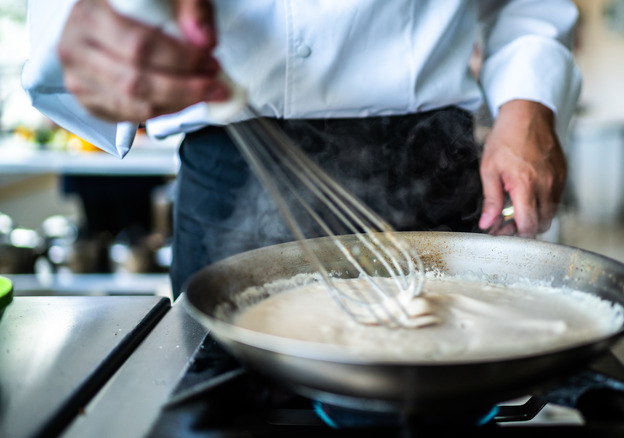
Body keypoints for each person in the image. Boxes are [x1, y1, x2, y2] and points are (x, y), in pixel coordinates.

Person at [23, 0, 581, 298]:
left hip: (431, 163)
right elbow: (83, 18)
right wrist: (92, 22)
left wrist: (529, 99)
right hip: (236, 166)